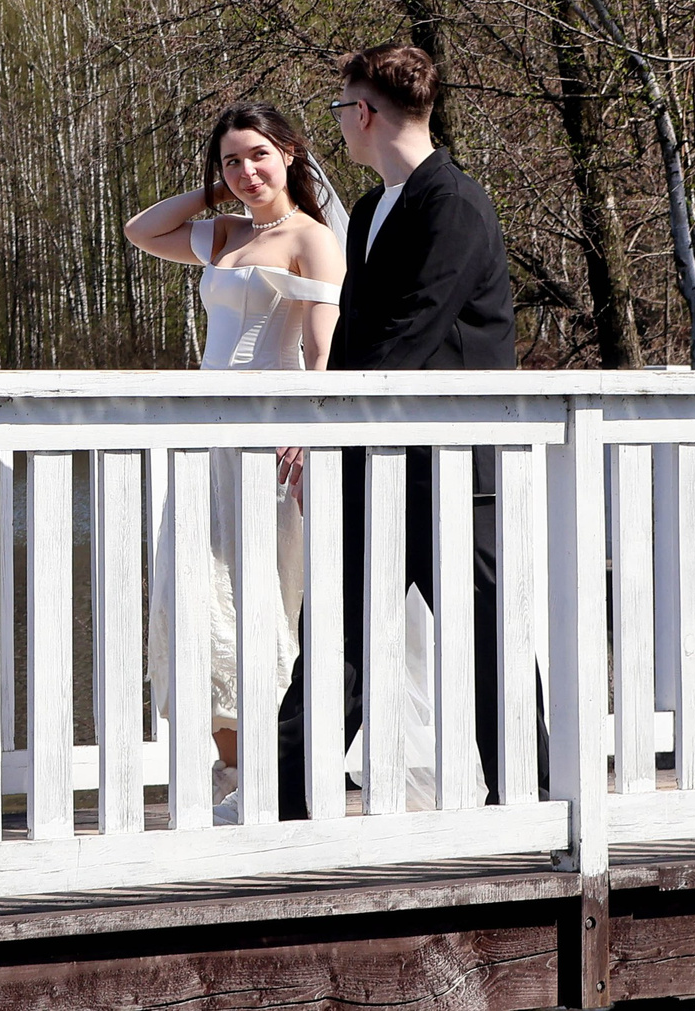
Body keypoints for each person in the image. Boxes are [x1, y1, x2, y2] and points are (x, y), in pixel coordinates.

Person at [276, 42, 520, 822]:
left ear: (364, 112)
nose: (339, 122)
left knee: (484, 642)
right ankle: (284, 804)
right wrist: (325, 431)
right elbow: (356, 341)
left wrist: (331, 424)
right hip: (373, 460)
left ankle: (533, 796)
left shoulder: (455, 204)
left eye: (340, 107)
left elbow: (411, 333)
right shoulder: (373, 209)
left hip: (451, 468)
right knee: (335, 639)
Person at [124, 103, 347, 818]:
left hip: (270, 438)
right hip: (208, 439)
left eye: (258, 155)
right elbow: (140, 231)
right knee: (197, 595)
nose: (247, 171)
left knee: (264, 598)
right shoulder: (224, 233)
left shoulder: (312, 237)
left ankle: (272, 773)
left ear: (290, 153)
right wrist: (216, 193)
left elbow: (322, 350)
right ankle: (232, 772)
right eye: (231, 160)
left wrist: (310, 433)